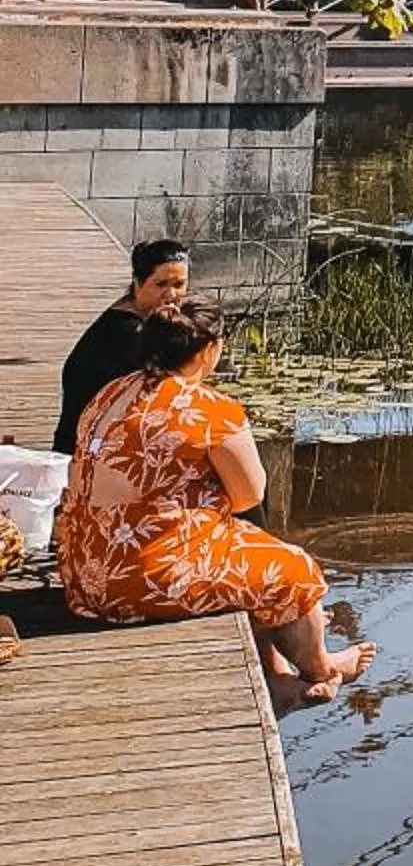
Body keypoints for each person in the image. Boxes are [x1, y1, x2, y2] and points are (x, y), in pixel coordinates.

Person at [56, 300, 374, 698]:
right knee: (295, 568)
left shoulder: (112, 391)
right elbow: (249, 494)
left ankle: (275, 673)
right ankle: (321, 666)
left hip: (84, 573)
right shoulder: (208, 409)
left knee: (239, 548)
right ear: (208, 351)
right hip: (137, 581)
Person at [52, 236, 189, 456]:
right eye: (161, 284)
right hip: (86, 449)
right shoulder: (128, 332)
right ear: (137, 283)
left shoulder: (133, 318)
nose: (172, 295)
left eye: (179, 285)